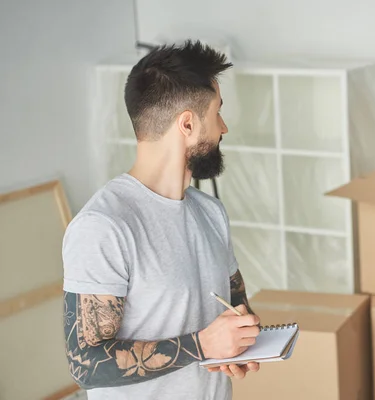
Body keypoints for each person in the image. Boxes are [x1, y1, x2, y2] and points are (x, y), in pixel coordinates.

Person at [62, 40, 261, 400]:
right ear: (187, 124)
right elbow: (84, 364)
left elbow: (236, 302)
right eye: (217, 112)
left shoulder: (210, 212)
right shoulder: (104, 226)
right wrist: (202, 344)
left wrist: (241, 337)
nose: (223, 128)